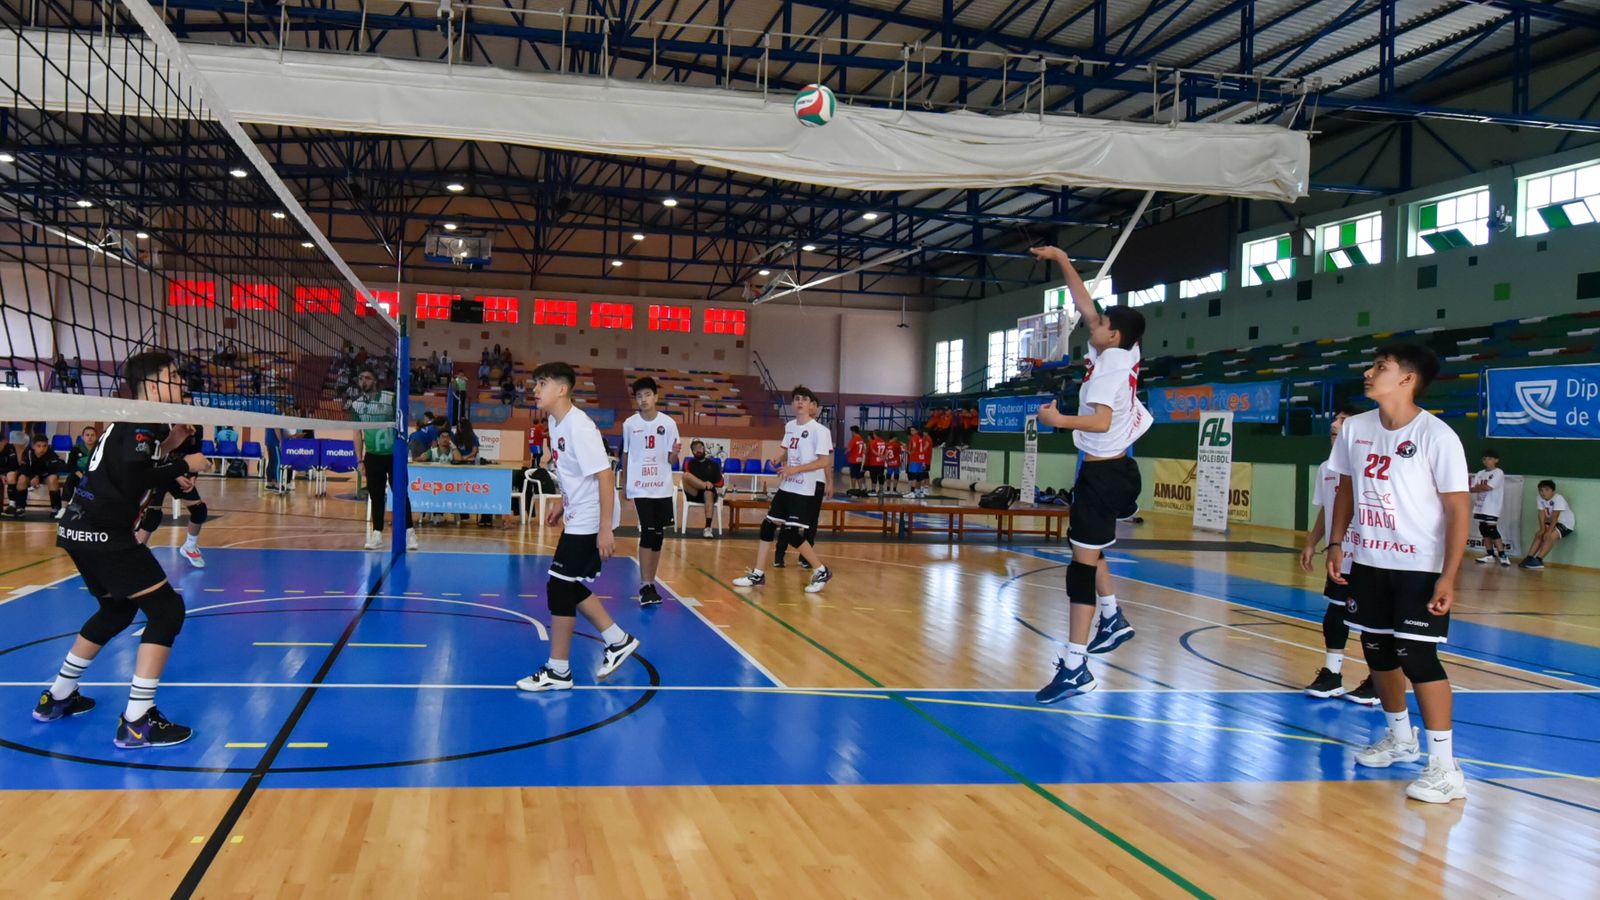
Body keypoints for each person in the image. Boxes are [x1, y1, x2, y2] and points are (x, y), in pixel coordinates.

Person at [35, 350, 207, 747]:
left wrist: (171, 452)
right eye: (173, 376)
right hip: (105, 533)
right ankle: (138, 720)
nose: (181, 382)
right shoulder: (140, 420)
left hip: (78, 530)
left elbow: (128, 469)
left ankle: (57, 697)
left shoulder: (134, 420)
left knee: (116, 609)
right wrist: (184, 464)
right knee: (167, 610)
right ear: (152, 383)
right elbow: (134, 477)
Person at [1327, 343, 1470, 804]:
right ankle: (1399, 737)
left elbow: (1457, 509)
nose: (1369, 373)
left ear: (1407, 379)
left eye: (1381, 368)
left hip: (1419, 568)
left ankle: (1446, 768)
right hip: (1369, 561)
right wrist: (1337, 542)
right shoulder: (1356, 430)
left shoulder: (1437, 435)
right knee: (1377, 652)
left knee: (1418, 658)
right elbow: (1346, 489)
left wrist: (1448, 576)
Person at [1029, 245, 1149, 703]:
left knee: (1079, 572)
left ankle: (1077, 666)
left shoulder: (1107, 373)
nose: (1090, 324)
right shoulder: (1126, 351)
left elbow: (1098, 421)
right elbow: (1084, 303)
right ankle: (1113, 616)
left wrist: (1058, 422)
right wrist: (1061, 258)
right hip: (1113, 468)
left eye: (1098, 324)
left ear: (1113, 335)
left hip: (1103, 476)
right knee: (1088, 551)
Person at [516, 362, 640, 692]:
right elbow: (575, 474)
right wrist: (561, 501)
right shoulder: (556, 423)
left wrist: (604, 529)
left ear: (562, 389)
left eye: (541, 383)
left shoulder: (578, 427)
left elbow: (604, 476)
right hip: (578, 512)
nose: (535, 390)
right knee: (566, 586)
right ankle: (616, 639)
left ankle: (559, 669)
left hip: (590, 518)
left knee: (559, 586)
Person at [1299, 406, 1378, 705]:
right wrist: (1312, 542)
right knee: (1335, 614)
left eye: (1343, 421)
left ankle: (1378, 680)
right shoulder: (1325, 468)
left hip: (1370, 555)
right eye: (1334, 421)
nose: (1335, 424)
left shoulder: (1371, 465)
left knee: (1373, 622)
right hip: (1339, 555)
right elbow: (1327, 510)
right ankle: (1332, 675)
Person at [733, 386, 834, 595]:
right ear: (792, 403)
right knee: (768, 526)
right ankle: (758, 573)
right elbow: (789, 450)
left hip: (804, 488)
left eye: (804, 399)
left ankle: (821, 570)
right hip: (787, 485)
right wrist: (778, 459)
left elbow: (824, 460)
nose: (800, 402)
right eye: (796, 399)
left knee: (790, 533)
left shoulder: (820, 431)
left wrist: (796, 469)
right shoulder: (790, 426)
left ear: (811, 404)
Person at [620, 377, 681, 607]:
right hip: (640, 486)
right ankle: (644, 584)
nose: (643, 399)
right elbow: (625, 454)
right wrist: (625, 483)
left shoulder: (668, 423)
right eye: (639, 396)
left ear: (656, 397)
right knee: (648, 530)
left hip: (662, 486)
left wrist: (675, 452)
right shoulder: (629, 424)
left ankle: (651, 582)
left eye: (647, 395)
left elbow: (671, 459)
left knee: (658, 535)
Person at [347, 367, 417, 551]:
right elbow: (356, 434)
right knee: (376, 496)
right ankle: (377, 533)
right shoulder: (357, 405)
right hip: (373, 457)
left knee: (401, 494)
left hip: (394, 455)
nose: (364, 381)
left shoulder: (390, 397)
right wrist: (359, 460)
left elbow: (404, 418)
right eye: (361, 377)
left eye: (368, 378)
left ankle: (410, 532)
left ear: (375, 382)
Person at [136, 425, 210, 569]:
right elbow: (155, 456)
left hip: (181, 472)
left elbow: (194, 452)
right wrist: (177, 474)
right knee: (152, 517)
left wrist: (193, 475)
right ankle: (136, 556)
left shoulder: (197, 427)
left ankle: (190, 546)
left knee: (199, 510)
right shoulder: (162, 426)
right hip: (158, 472)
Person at [8, 434, 66, 518]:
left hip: (46, 476)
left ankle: (56, 508)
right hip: (32, 476)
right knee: (22, 478)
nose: (42, 449)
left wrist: (39, 477)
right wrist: (32, 477)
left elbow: (53, 470)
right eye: (39, 446)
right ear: (33, 446)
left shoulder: (52, 454)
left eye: (44, 446)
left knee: (53, 479)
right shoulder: (28, 453)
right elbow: (23, 468)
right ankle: (20, 507)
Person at [1522, 480, 1574, 569]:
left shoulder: (1558, 498)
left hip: (1565, 524)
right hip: (1551, 522)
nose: (1543, 493)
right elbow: (1541, 514)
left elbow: (1555, 517)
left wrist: (1548, 532)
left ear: (1553, 491)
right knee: (1539, 534)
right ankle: (1529, 558)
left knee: (1549, 536)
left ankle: (1539, 560)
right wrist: (1542, 529)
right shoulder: (1539, 498)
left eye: (1546, 490)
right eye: (1541, 490)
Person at [1470, 449, 1509, 567]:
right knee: (1483, 529)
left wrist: (1479, 487)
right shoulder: (1480, 472)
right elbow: (1472, 488)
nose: (1487, 461)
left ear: (1496, 460)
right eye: (1485, 459)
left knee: (1492, 529)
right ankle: (1490, 555)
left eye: (1490, 458)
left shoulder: (1498, 472)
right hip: (1480, 506)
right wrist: (1480, 487)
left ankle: (1503, 555)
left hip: (1492, 506)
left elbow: (1489, 487)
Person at [681, 440, 724, 537]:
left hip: (708, 493)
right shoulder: (689, 463)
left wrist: (711, 485)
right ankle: (704, 485)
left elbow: (721, 482)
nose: (698, 450)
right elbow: (688, 479)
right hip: (694, 492)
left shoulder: (714, 465)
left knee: (708, 492)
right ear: (692, 452)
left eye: (700, 447)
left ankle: (708, 528)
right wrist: (705, 484)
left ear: (704, 449)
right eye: (695, 449)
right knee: (685, 475)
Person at [64, 425, 98, 506]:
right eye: (87, 435)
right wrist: (81, 475)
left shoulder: (99, 449)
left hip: (95, 475)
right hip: (79, 474)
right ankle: (63, 507)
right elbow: (70, 465)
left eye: (92, 435)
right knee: (70, 480)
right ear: (82, 437)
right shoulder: (76, 449)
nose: (90, 437)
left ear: (96, 437)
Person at [907, 425, 933, 499]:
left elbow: (915, 446)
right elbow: (923, 448)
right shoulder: (920, 438)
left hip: (915, 459)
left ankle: (912, 492)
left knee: (914, 476)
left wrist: (911, 452)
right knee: (919, 477)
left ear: (916, 431)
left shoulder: (914, 438)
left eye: (912, 430)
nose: (911, 432)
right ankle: (918, 492)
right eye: (911, 430)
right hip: (921, 459)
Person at [864, 430, 887, 496]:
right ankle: (881, 490)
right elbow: (887, 450)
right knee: (880, 476)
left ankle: (873, 490)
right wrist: (884, 456)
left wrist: (879, 455)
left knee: (873, 476)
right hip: (881, 462)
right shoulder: (883, 441)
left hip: (874, 462)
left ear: (874, 434)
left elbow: (873, 450)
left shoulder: (872, 442)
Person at [845, 426, 866, 495]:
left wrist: (845, 452)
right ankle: (861, 489)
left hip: (853, 460)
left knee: (853, 476)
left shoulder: (854, 439)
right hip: (859, 460)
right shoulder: (861, 439)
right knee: (858, 475)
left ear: (853, 431)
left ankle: (853, 490)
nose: (851, 433)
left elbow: (849, 449)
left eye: (851, 431)